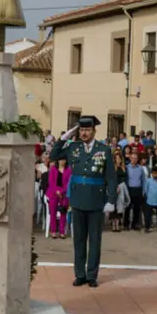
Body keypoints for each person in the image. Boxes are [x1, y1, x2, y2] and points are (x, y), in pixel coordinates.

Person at [50, 115, 116, 288]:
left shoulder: (104, 150)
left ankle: (92, 275)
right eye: (82, 130)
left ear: (94, 131)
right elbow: (54, 154)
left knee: (94, 240)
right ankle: (80, 274)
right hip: (78, 199)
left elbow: (111, 177)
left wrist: (111, 200)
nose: (84, 133)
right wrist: (65, 137)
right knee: (79, 240)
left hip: (96, 200)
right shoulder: (74, 148)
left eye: (87, 130)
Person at [46, 157, 72, 238]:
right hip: (53, 193)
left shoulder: (69, 170)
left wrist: (61, 191)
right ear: (58, 160)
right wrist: (56, 191)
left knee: (63, 213)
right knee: (53, 212)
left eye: (64, 159)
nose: (62, 161)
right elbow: (51, 182)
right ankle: (53, 231)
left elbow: (68, 183)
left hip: (64, 194)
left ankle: (62, 232)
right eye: (60, 160)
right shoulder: (53, 169)